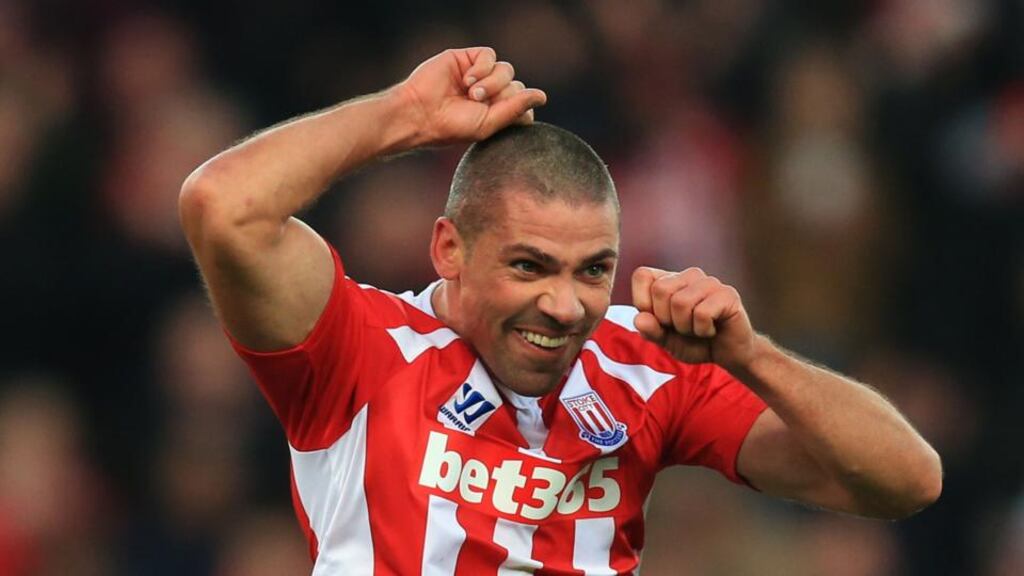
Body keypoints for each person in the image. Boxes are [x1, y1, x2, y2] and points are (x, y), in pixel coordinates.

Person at [178, 47, 942, 575]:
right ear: (449, 248)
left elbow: (907, 480)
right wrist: (406, 116)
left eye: (593, 270)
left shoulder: (645, 367)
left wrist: (753, 356)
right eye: (529, 266)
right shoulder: (361, 348)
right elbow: (223, 206)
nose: (565, 303)